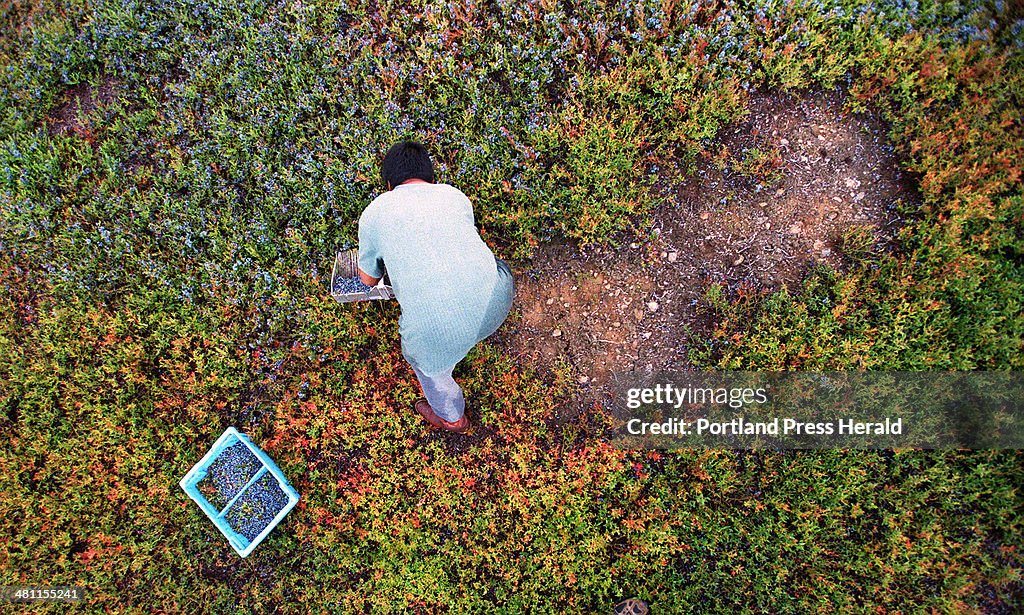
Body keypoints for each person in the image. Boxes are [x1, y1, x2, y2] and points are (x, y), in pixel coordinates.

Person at [357, 140, 514, 433]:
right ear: (430, 177)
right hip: (499, 300)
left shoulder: (374, 213)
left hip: (439, 334)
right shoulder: (454, 196)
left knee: (428, 367)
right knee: (493, 264)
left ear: (389, 184)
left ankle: (453, 419)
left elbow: (367, 281)